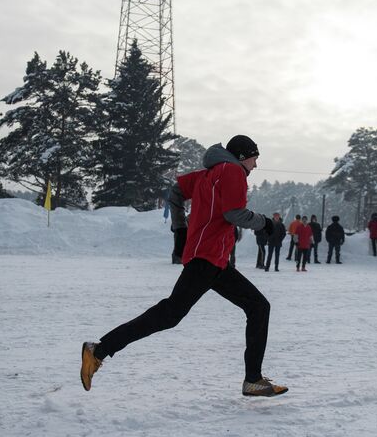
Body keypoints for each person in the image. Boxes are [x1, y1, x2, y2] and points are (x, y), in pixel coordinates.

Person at [80, 135, 288, 397]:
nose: (256, 166)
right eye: (255, 159)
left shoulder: (208, 173)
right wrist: (267, 223)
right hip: (207, 258)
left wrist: (180, 228)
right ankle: (97, 350)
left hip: (214, 261)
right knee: (169, 314)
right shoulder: (233, 171)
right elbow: (233, 213)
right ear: (243, 157)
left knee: (258, 306)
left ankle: (253, 379)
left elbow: (176, 192)